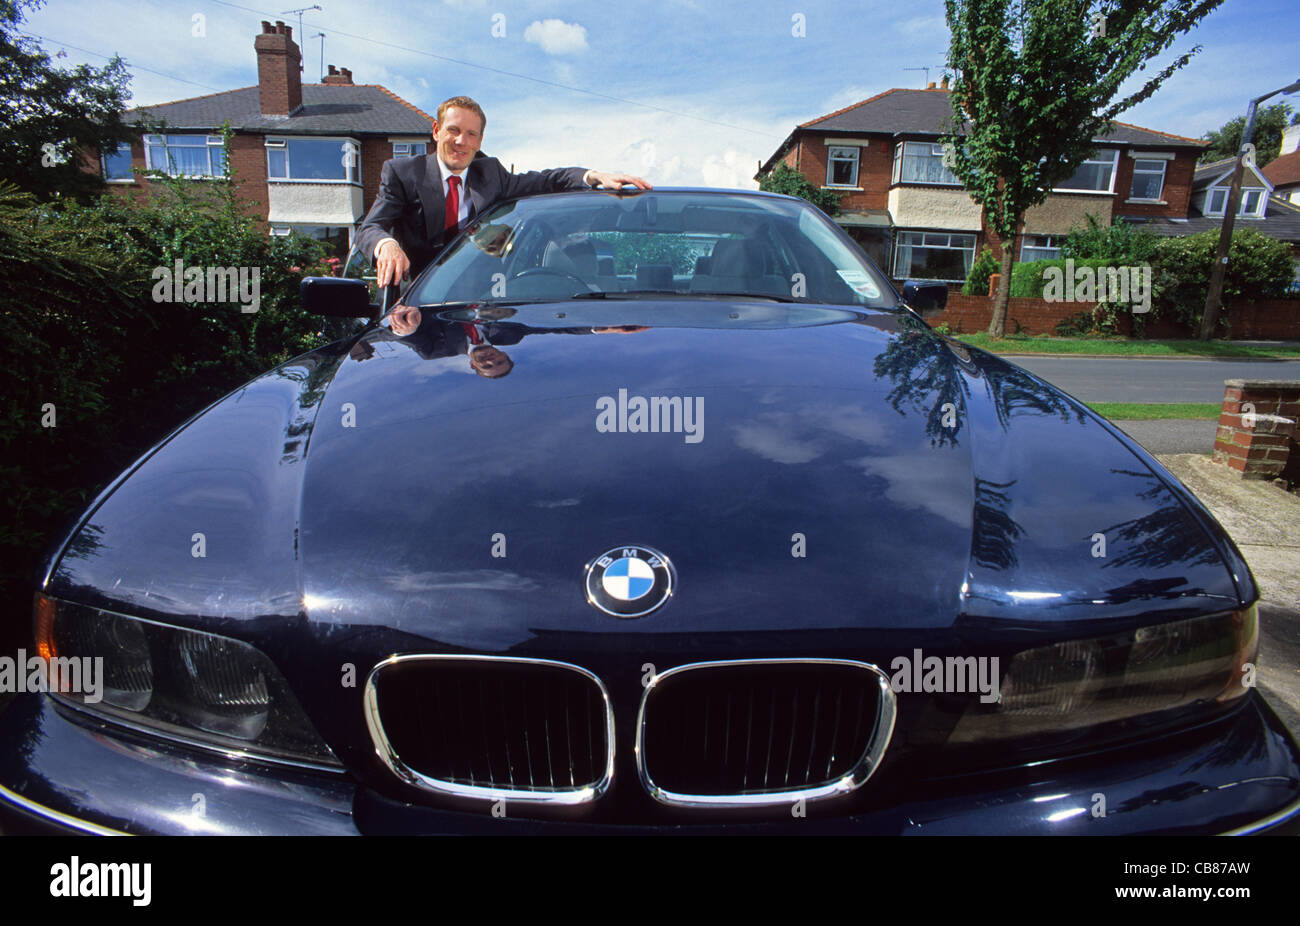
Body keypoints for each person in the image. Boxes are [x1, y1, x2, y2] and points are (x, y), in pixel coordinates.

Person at [356, 95, 651, 288]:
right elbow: (371, 227)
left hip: (484, 301)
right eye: (453, 130)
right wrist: (386, 245)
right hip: (417, 304)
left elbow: (548, 180)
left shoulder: (491, 175)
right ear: (436, 131)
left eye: (471, 134)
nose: (461, 141)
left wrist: (593, 176)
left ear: (480, 139)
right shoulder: (402, 173)